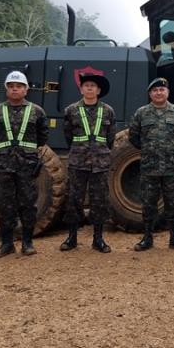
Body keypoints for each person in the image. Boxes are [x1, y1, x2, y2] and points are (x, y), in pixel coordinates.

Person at [0, 70, 49, 258]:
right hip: (3, 165)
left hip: (27, 166)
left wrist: (26, 153)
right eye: (11, 86)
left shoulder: (37, 111)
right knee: (4, 204)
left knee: (28, 203)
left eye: (19, 86)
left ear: (26, 90)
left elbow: (43, 136)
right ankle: (6, 244)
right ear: (7, 89)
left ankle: (27, 243)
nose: (15, 89)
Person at [129, 77, 174, 251]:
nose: (159, 93)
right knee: (148, 204)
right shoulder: (141, 113)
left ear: (167, 92)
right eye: (155, 90)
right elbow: (133, 137)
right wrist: (150, 150)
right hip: (149, 167)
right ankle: (147, 238)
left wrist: (171, 149)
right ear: (150, 94)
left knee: (173, 204)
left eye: (162, 90)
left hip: (171, 167)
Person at [59, 73, 116, 253]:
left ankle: (98, 239)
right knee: (74, 199)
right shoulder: (71, 110)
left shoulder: (108, 111)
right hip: (78, 162)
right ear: (81, 89)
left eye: (93, 86)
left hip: (100, 163)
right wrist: (80, 150)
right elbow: (68, 135)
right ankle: (72, 237)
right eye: (86, 85)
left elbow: (110, 138)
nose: (90, 88)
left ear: (98, 90)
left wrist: (99, 152)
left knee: (99, 201)